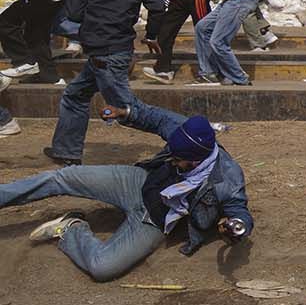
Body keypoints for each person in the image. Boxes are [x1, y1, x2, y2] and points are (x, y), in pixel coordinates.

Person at [1, 103, 249, 281]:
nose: (172, 160)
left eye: (178, 159)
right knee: (64, 176)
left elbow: (239, 210)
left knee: (102, 268)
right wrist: (126, 113)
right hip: (138, 182)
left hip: (155, 221)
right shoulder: (185, 131)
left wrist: (237, 226)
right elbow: (157, 118)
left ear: (197, 160)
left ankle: (70, 228)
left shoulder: (227, 176)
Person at [45, 0, 144, 164]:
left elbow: (73, 13)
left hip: (106, 54)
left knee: (128, 109)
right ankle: (67, 152)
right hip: (109, 51)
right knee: (75, 95)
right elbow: (156, 4)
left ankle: (185, 137)